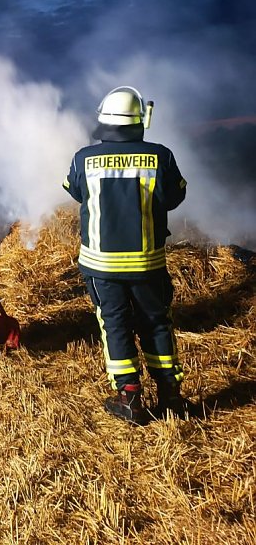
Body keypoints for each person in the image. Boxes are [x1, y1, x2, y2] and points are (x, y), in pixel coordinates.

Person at [63, 86, 193, 424]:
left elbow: (75, 190)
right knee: (157, 324)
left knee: (115, 326)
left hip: (101, 265)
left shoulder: (83, 158)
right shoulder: (160, 156)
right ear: (140, 120)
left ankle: (130, 398)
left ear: (104, 120)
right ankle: (171, 397)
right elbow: (175, 197)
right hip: (147, 262)